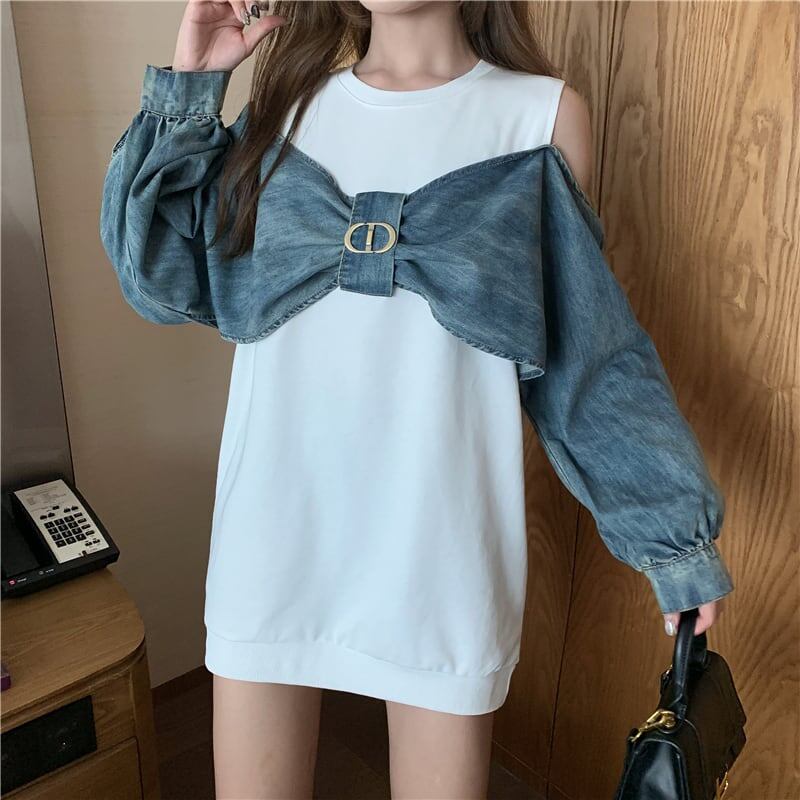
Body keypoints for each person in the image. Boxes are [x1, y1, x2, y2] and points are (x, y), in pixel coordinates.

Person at [100, 1, 734, 797]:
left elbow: (586, 355)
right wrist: (192, 90)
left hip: (443, 546)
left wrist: (674, 542)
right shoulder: (284, 110)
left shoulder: (541, 117)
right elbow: (156, 277)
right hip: (274, 528)